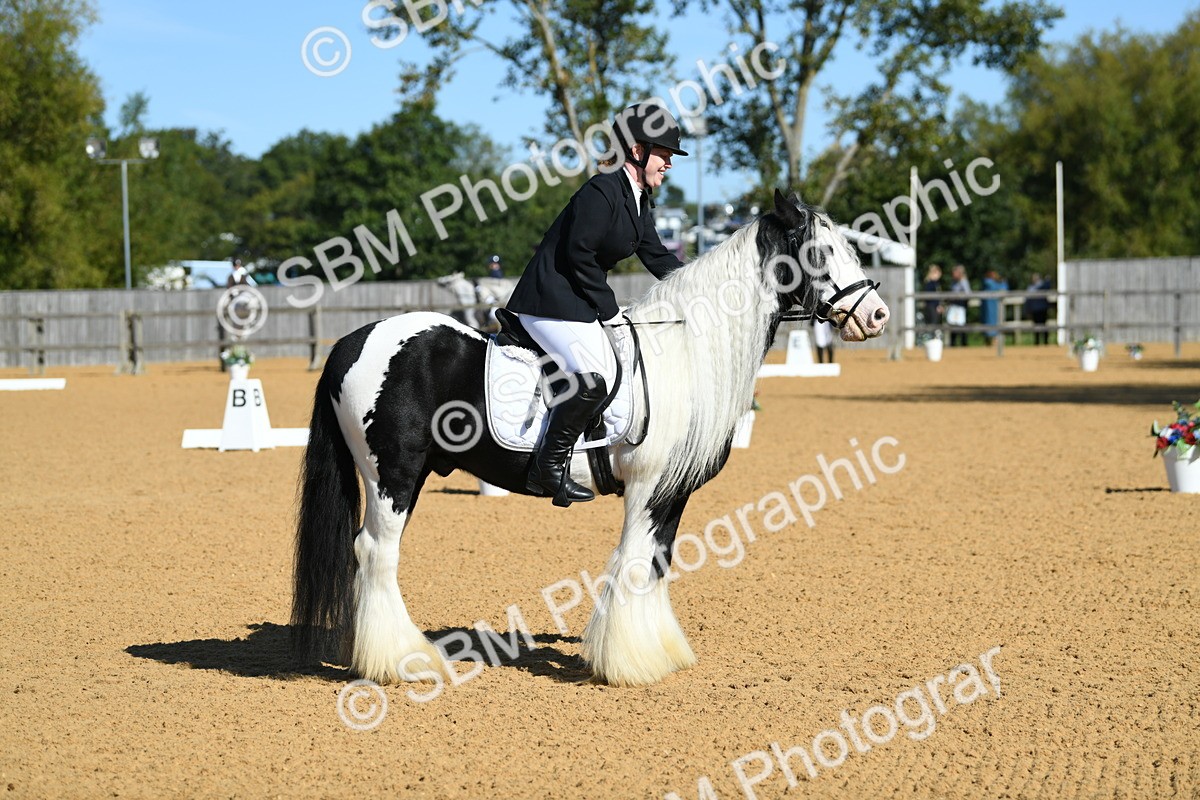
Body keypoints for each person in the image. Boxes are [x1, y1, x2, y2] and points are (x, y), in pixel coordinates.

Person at [504, 101, 688, 506]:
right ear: (638, 151)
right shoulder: (602, 190)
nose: (670, 163)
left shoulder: (636, 197)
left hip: (575, 303)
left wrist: (697, 288)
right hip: (547, 302)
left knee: (615, 364)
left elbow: (657, 257)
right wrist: (610, 311)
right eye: (665, 154)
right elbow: (578, 255)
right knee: (596, 372)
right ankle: (548, 467)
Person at [981, 269, 1007, 344]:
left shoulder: (994, 283)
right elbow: (1000, 287)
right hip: (989, 308)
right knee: (989, 324)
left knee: (996, 323)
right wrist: (1001, 281)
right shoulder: (988, 282)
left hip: (995, 307)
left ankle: (994, 341)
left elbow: (1004, 289)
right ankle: (989, 341)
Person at [1025, 273, 1052, 345]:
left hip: (1041, 309)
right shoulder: (1034, 287)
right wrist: (1047, 280)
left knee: (1043, 326)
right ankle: (1039, 342)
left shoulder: (1034, 287)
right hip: (1037, 309)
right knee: (1038, 326)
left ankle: (1043, 342)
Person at [947, 265, 970, 347]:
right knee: (952, 324)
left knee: (961, 324)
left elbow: (967, 293)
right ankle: (953, 343)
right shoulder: (953, 282)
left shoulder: (963, 282)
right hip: (953, 305)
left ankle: (964, 343)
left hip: (960, 305)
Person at [922, 264, 943, 329]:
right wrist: (937, 306)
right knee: (933, 325)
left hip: (933, 307)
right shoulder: (930, 284)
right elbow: (931, 297)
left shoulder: (935, 283)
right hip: (932, 307)